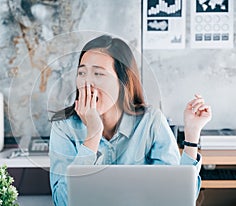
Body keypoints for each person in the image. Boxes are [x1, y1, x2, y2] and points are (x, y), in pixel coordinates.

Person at [49, 35, 212, 206]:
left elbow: (178, 198)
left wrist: (192, 136)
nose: (86, 83)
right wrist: (93, 134)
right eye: (82, 73)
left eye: (98, 73)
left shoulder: (150, 121)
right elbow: (62, 202)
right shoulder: (64, 126)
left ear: (123, 81)